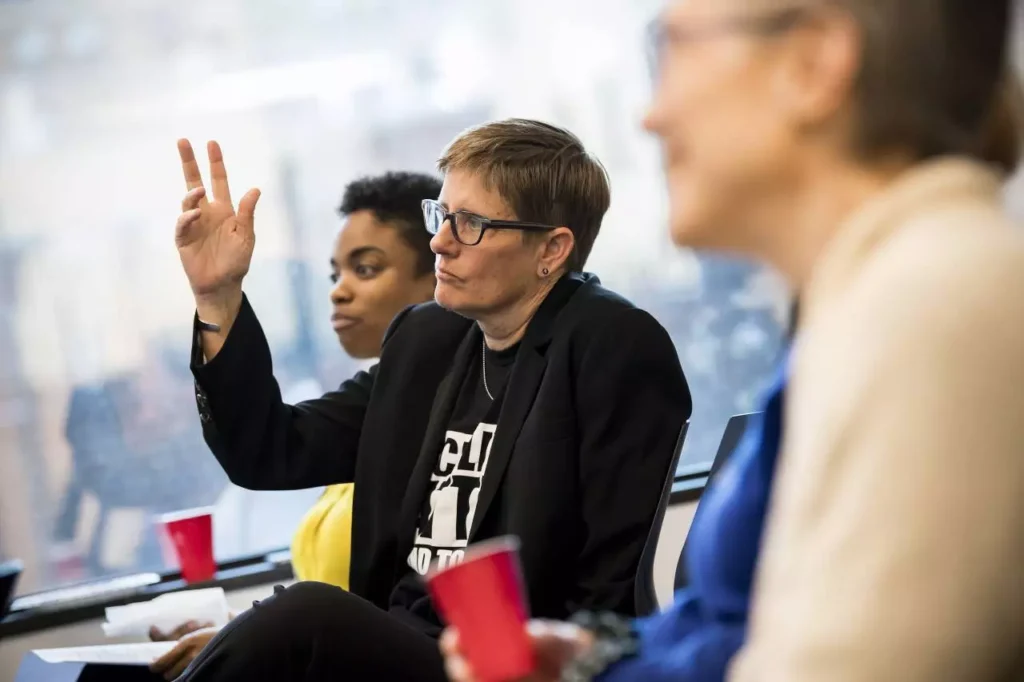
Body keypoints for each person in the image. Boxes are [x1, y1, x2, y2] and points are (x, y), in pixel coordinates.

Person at [442, 0, 1024, 681]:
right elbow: (739, 633)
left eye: (673, 50)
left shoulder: (931, 308)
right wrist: (594, 662)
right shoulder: (859, 308)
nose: (649, 116)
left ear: (812, 63)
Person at [171, 118, 692, 680]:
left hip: (512, 664)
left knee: (305, 614)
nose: (440, 240)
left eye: (470, 224)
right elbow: (270, 450)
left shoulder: (611, 345)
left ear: (552, 248)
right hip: (401, 647)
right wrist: (217, 296)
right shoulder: (427, 340)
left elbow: (609, 585)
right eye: (441, 215)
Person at [148, 171, 441, 679]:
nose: (339, 293)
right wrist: (217, 298)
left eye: (366, 270)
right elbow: (267, 449)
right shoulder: (376, 399)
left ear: (440, 272)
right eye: (334, 276)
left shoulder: (465, 399)